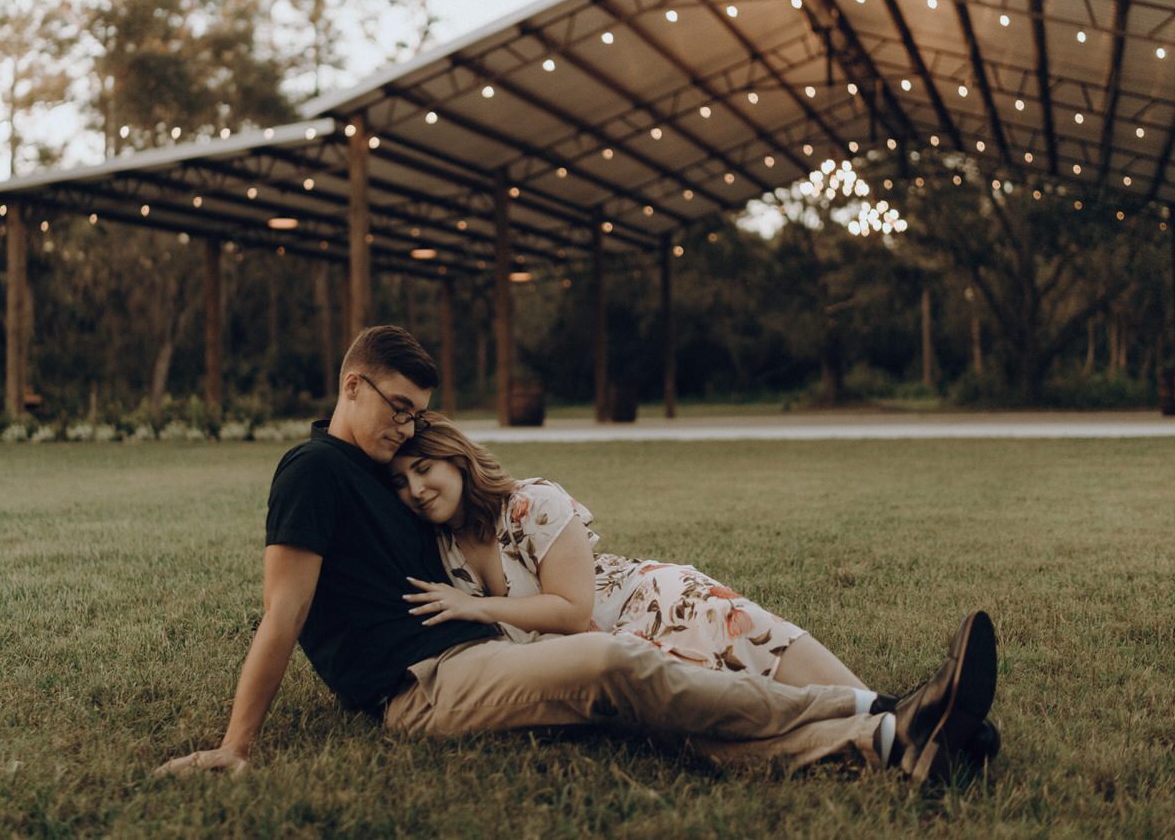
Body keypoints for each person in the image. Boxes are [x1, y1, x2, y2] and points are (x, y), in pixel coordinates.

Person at [155, 325, 997, 785]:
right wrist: (238, 744)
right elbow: (284, 611)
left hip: (482, 652)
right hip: (422, 686)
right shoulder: (313, 469)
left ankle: (888, 736)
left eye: (417, 421)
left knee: (647, 703)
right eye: (395, 409)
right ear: (351, 387)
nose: (404, 432)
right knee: (617, 663)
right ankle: (888, 709)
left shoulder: (386, 475)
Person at [390, 413, 868, 689]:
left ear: (458, 458)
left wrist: (474, 608)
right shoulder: (441, 548)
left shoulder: (529, 502)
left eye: (425, 468)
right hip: (601, 654)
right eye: (401, 482)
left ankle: (878, 706)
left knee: (749, 638)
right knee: (724, 692)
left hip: (646, 602)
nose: (416, 489)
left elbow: (574, 611)